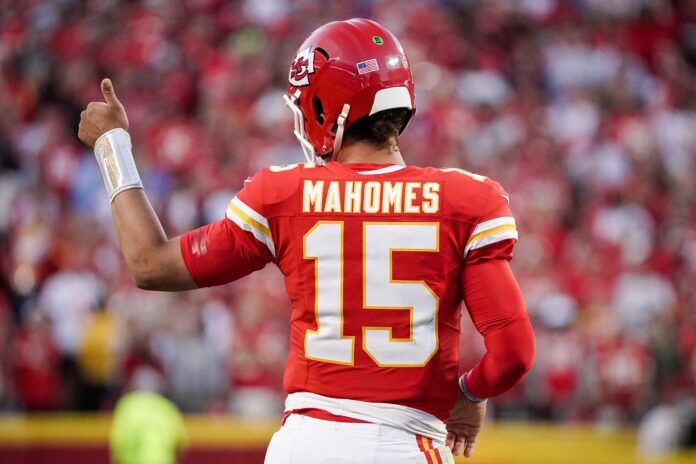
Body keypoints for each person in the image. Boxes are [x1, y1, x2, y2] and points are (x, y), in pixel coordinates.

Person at [78, 18, 535, 464]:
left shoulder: (285, 194)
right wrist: (471, 392)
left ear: (323, 108)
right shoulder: (466, 198)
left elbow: (149, 264)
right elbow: (513, 355)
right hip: (405, 444)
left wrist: (111, 147)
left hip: (304, 445)